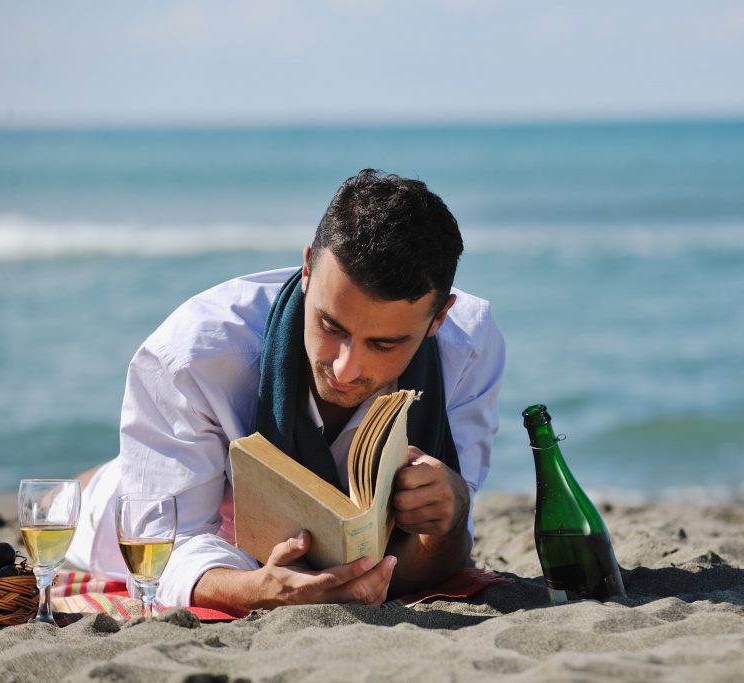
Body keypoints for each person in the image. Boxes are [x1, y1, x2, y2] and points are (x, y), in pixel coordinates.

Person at [66, 169, 505, 615]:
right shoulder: (193, 355)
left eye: (385, 344)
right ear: (307, 270)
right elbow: (164, 556)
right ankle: (92, 482)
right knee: (85, 501)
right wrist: (261, 590)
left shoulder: (468, 348)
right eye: (331, 326)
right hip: (160, 507)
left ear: (439, 318)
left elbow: (445, 551)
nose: (344, 368)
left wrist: (451, 514)